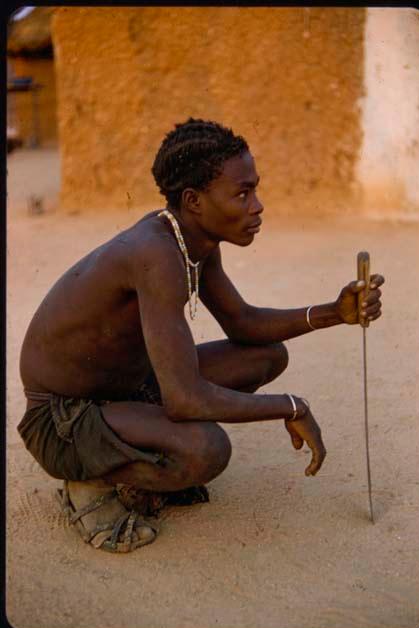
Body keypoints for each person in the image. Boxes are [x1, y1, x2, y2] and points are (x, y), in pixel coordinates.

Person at [17, 118, 384, 553]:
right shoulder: (155, 254)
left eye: (255, 190)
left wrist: (334, 313)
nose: (257, 206)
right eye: (242, 193)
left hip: (123, 390)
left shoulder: (193, 240)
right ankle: (90, 481)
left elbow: (243, 323)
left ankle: (136, 451)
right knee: (206, 450)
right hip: (63, 418)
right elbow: (184, 399)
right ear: (193, 200)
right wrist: (290, 406)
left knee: (265, 356)